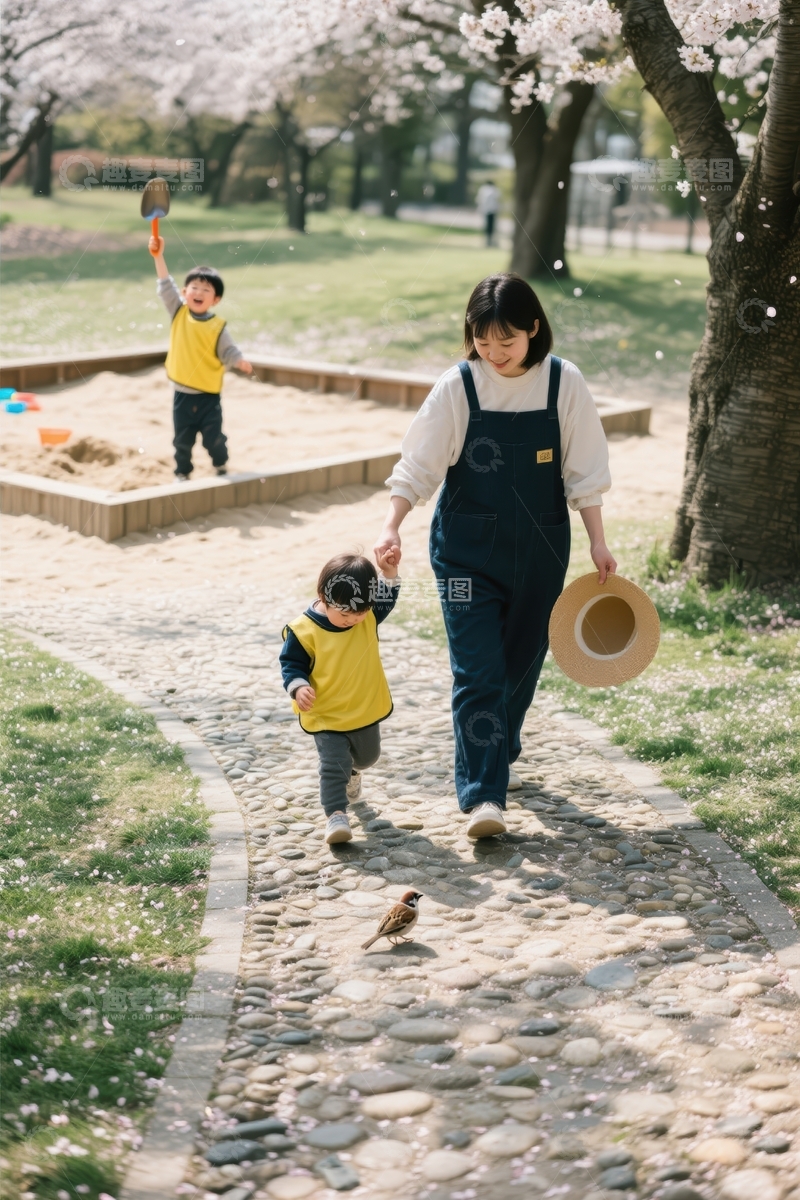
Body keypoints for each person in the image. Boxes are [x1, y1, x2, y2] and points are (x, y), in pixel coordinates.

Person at [374, 273, 615, 840]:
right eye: (483, 342)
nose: (495, 355)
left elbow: (585, 471)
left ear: (535, 328)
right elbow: (419, 465)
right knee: (477, 669)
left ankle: (497, 746)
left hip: (541, 552)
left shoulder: (564, 383)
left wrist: (598, 540)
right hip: (462, 561)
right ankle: (484, 796)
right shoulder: (457, 386)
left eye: (506, 341)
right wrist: (391, 524)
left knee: (522, 663)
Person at [279, 552, 401, 846]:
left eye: (359, 614)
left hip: (362, 706)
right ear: (323, 596)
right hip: (325, 712)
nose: (353, 620)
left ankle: (354, 772)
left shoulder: (366, 614)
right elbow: (291, 664)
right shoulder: (303, 630)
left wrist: (390, 573)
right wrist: (298, 687)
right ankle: (336, 815)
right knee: (333, 765)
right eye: (345, 614)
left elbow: (387, 597)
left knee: (368, 757)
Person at [149, 234, 252, 480]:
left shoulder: (217, 326)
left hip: (208, 395)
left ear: (215, 300)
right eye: (194, 287)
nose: (199, 292)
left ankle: (220, 464)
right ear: (185, 292)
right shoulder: (178, 311)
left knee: (213, 438)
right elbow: (165, 283)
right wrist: (158, 255)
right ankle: (182, 473)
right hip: (182, 393)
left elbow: (228, 350)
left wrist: (238, 361)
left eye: (206, 289)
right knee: (181, 440)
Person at [476, 179, 501, 247]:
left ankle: (489, 241)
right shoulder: (494, 190)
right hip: (491, 211)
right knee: (491, 227)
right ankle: (489, 241)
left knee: (488, 226)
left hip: (487, 211)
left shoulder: (483, 190)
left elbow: (479, 200)